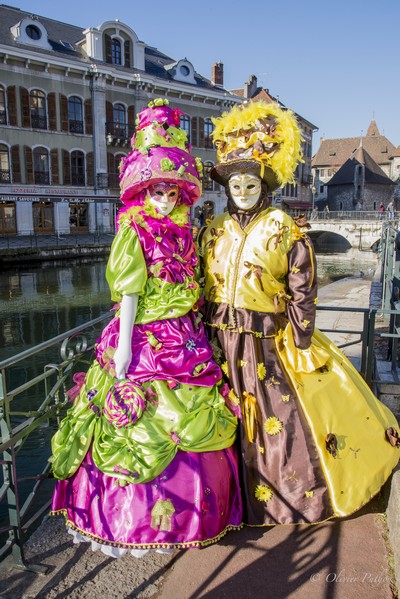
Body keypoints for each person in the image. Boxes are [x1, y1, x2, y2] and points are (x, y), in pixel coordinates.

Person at [50, 99, 242, 557]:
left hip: (184, 336)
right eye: (157, 192)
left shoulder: (179, 232)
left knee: (194, 417)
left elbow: (190, 282)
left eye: (171, 194)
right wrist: (122, 351)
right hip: (143, 340)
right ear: (143, 190)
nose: (164, 200)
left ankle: (198, 512)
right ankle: (130, 521)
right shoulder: (133, 231)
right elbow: (130, 293)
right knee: (134, 423)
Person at [200, 101, 400, 527]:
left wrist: (302, 336)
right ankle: (222, 501)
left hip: (269, 344)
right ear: (226, 186)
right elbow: (201, 284)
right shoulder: (212, 229)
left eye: (250, 184)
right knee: (221, 418)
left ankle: (283, 499)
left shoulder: (283, 227)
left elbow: (302, 288)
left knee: (281, 420)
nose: (242, 191)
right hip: (219, 342)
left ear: (263, 186)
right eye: (235, 184)